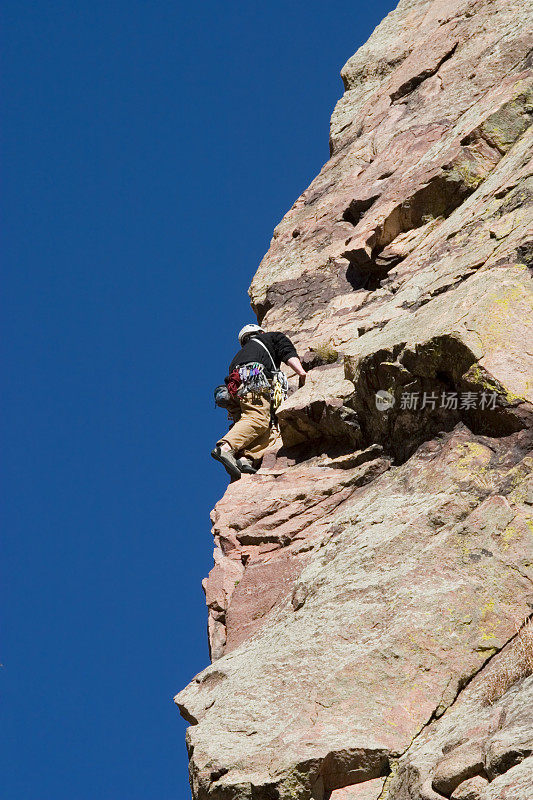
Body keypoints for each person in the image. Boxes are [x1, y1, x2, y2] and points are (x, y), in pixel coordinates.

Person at [212, 324, 306, 480]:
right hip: (254, 379)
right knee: (257, 418)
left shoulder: (239, 356)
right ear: (260, 332)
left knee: (269, 427)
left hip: (237, 392)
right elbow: (287, 352)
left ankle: (245, 459)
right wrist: (301, 373)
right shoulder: (272, 337)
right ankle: (225, 448)